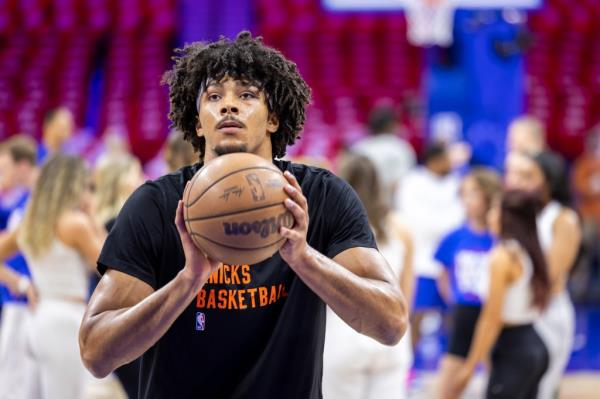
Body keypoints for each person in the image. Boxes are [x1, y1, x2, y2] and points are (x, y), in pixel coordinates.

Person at [79, 31, 408, 399]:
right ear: (198, 122)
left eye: (247, 95)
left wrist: (304, 258)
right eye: (214, 96)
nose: (228, 106)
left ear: (273, 118)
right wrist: (187, 281)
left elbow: (391, 324)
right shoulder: (155, 205)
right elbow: (96, 353)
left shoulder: (320, 197)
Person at [0, 155, 106, 398]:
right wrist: (92, 216)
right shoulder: (75, 224)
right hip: (66, 320)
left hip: (39, 318)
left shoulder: (30, 224)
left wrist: (22, 284)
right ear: (71, 184)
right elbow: (109, 264)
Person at [323, 155, 414, 399]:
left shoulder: (329, 226)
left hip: (342, 335)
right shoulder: (401, 228)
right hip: (391, 339)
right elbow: (405, 295)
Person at [450, 190, 551, 399]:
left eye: (495, 209)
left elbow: (491, 319)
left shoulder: (502, 257)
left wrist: (469, 367)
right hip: (534, 344)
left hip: (514, 349)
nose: (490, 215)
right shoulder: (526, 249)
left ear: (506, 216)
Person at [505, 151, 581, 399]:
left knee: (543, 388)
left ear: (549, 180)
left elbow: (551, 276)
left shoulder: (564, 218)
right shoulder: (526, 214)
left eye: (529, 176)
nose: (521, 183)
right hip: (521, 310)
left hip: (548, 311)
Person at [435, 168, 502, 398]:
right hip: (464, 313)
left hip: (495, 315)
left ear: (489, 196)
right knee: (448, 386)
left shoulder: (500, 237)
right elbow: (443, 273)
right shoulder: (454, 236)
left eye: (473, 192)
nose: (467, 199)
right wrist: (453, 300)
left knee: (498, 382)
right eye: (464, 193)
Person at [396, 141, 463, 351]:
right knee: (415, 315)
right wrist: (443, 225)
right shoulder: (412, 182)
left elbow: (460, 218)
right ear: (434, 160)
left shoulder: (456, 182)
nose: (450, 163)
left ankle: (451, 360)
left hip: (450, 263)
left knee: (453, 317)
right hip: (420, 263)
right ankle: (410, 365)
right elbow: (415, 221)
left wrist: (440, 226)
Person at [93, 154, 144, 398]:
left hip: (109, 320)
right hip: (123, 319)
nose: (144, 181)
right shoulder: (120, 223)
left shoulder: (100, 222)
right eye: (137, 175)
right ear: (123, 181)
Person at [0, 135, 39, 398]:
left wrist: (22, 284)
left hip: (27, 306)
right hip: (18, 302)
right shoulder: (18, 204)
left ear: (23, 166)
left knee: (17, 385)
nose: (3, 176)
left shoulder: (34, 205)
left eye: (5, 168)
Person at [351, 105, 416, 205]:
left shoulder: (358, 148)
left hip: (362, 206)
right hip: (392, 207)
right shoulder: (401, 148)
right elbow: (404, 184)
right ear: (391, 125)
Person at [572, 126, 600, 301]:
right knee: (585, 246)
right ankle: (578, 288)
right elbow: (580, 186)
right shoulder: (585, 163)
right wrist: (593, 186)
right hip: (589, 216)